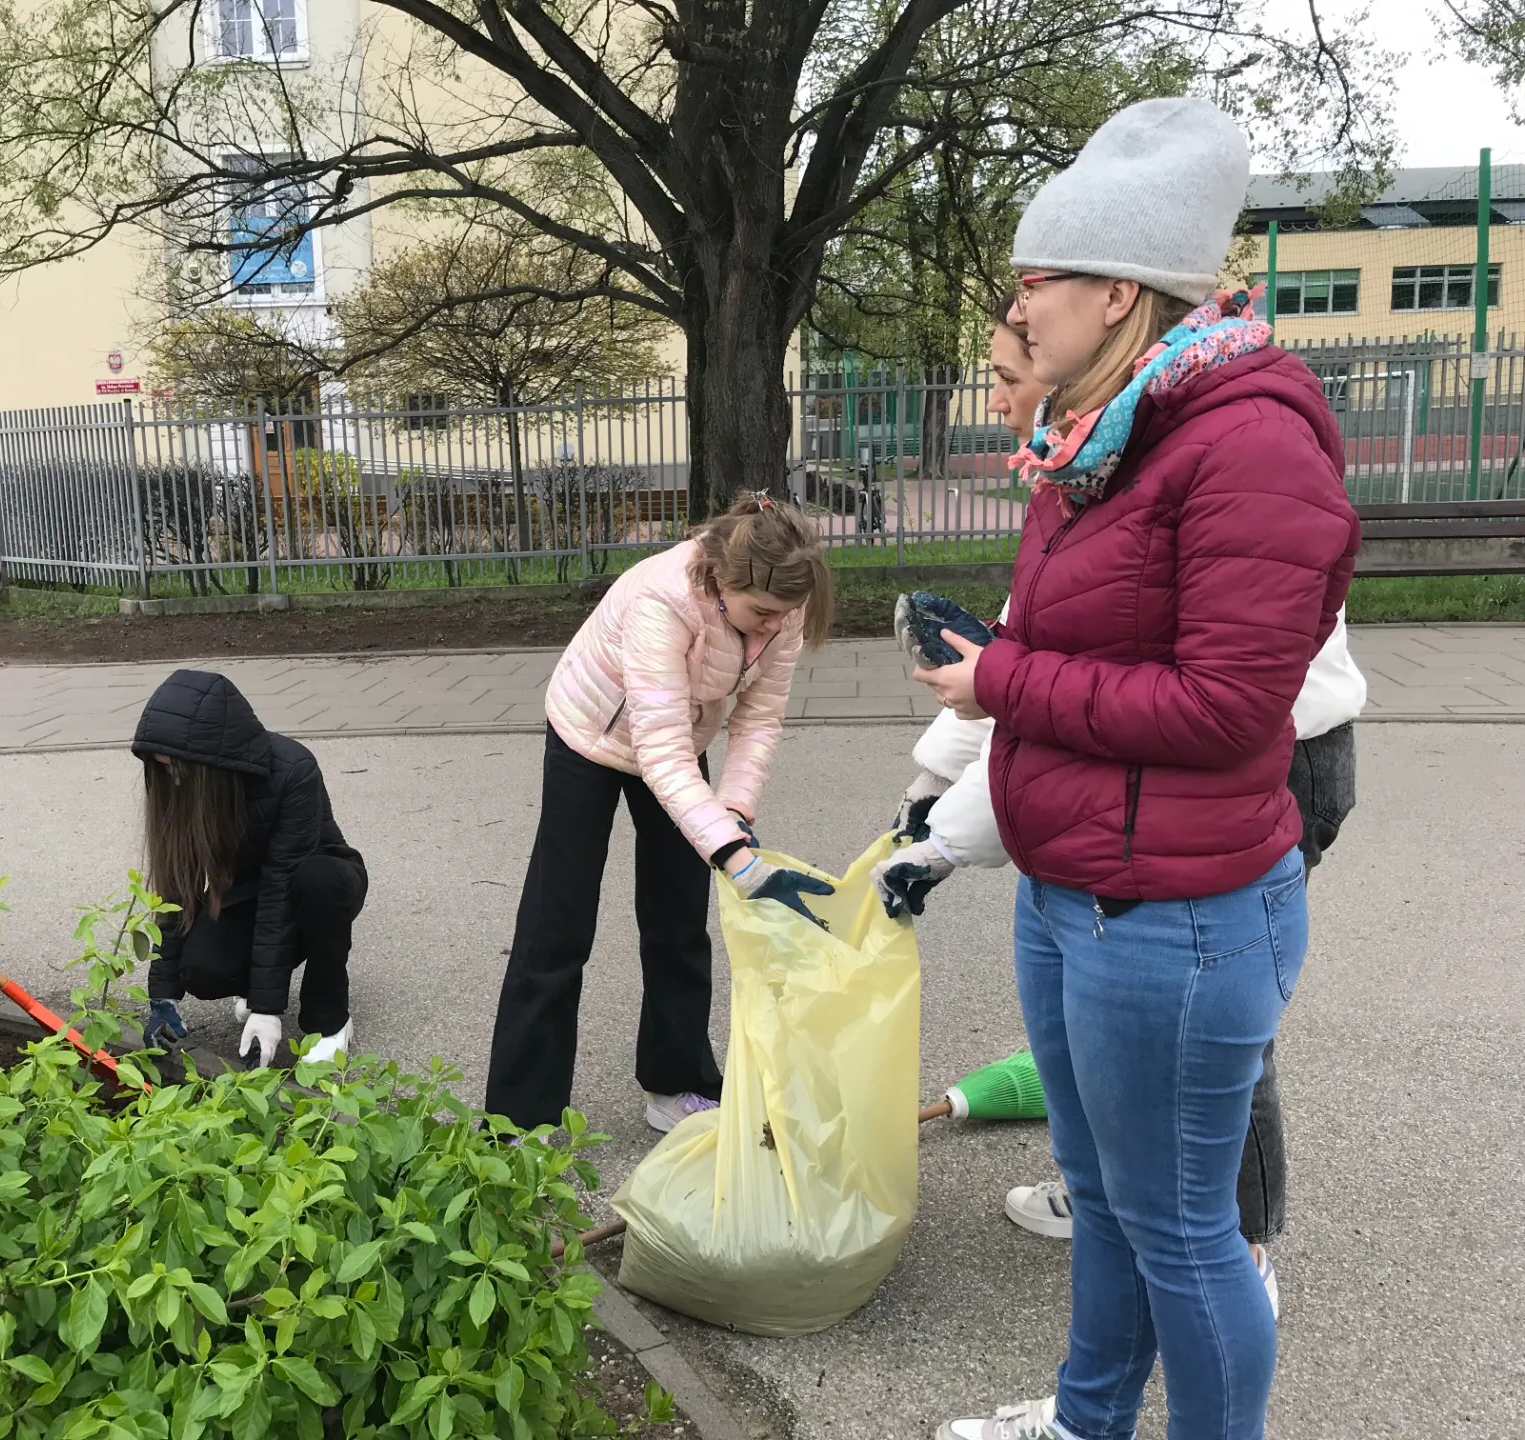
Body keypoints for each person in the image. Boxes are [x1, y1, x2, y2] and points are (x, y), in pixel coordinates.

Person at [913, 97, 1360, 1440]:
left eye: (1034, 279)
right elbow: (1077, 653)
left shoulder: (1248, 441)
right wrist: (977, 720)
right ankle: (1083, 1422)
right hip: (1075, 896)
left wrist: (998, 679)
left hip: (1175, 924)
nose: (1018, 308)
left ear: (1117, 290)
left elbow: (1229, 711)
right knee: (1105, 1200)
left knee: (1186, 1235)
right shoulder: (1096, 440)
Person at [485, 493, 837, 1134]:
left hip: (679, 738)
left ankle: (676, 1083)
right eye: (759, 614)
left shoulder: (783, 605)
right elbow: (660, 752)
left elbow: (760, 718)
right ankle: (519, 1123)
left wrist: (731, 815)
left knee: (679, 920)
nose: (769, 629)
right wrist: (730, 853)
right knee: (557, 927)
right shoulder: (662, 599)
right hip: (593, 735)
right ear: (723, 581)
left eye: (781, 619)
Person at [134, 669, 367, 1067]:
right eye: (162, 766)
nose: (171, 776)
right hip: (247, 890)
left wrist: (266, 1008)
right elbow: (177, 888)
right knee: (203, 969)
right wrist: (163, 995)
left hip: (320, 881)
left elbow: (280, 889)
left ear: (210, 757)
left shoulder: (293, 769)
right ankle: (256, 980)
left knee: (318, 883)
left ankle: (330, 1021)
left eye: (176, 766)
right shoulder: (180, 783)